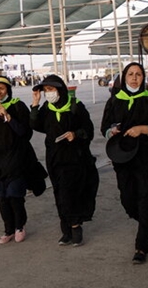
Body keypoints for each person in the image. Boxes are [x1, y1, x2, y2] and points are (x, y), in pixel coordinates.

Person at [101, 62, 148, 264]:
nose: (134, 78)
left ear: (143, 78)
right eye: (130, 74)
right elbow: (104, 129)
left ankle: (141, 246)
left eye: (138, 75)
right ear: (124, 78)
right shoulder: (114, 101)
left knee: (147, 198)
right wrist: (112, 131)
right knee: (129, 199)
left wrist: (144, 129)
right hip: (124, 158)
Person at [30, 74, 98, 247]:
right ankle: (66, 231)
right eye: (46, 90)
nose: (48, 93)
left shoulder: (75, 106)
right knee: (59, 192)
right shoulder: (47, 108)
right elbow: (36, 125)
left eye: (51, 89)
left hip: (74, 158)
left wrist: (75, 134)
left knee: (69, 192)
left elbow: (89, 130)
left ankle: (75, 227)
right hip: (54, 157)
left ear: (60, 90)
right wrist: (35, 104)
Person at [0, 76, 46, 244]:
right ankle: (8, 229)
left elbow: (24, 132)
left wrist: (6, 114)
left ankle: (19, 226)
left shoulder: (17, 106)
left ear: (8, 89)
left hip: (16, 158)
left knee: (15, 194)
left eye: (2, 88)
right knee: (2, 197)